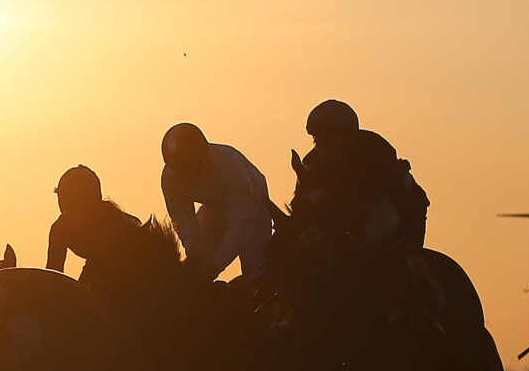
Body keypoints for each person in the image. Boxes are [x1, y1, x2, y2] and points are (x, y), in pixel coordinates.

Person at [295, 100, 428, 248]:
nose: (326, 150)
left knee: (373, 237)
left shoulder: (375, 155)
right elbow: (303, 205)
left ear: (349, 140)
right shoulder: (311, 164)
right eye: (320, 141)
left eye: (332, 142)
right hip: (353, 205)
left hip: (395, 203)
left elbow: (365, 205)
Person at [159, 123, 273, 280]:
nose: (184, 176)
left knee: (255, 269)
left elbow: (240, 226)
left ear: (203, 157)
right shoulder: (170, 177)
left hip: (254, 206)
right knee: (198, 264)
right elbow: (182, 218)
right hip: (214, 208)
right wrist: (192, 249)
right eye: (179, 170)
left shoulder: (231, 169)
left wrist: (217, 265)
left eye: (188, 168)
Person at [46, 165, 142, 273]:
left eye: (74, 200)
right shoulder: (60, 229)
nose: (64, 205)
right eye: (62, 198)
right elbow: (53, 275)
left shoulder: (115, 224)